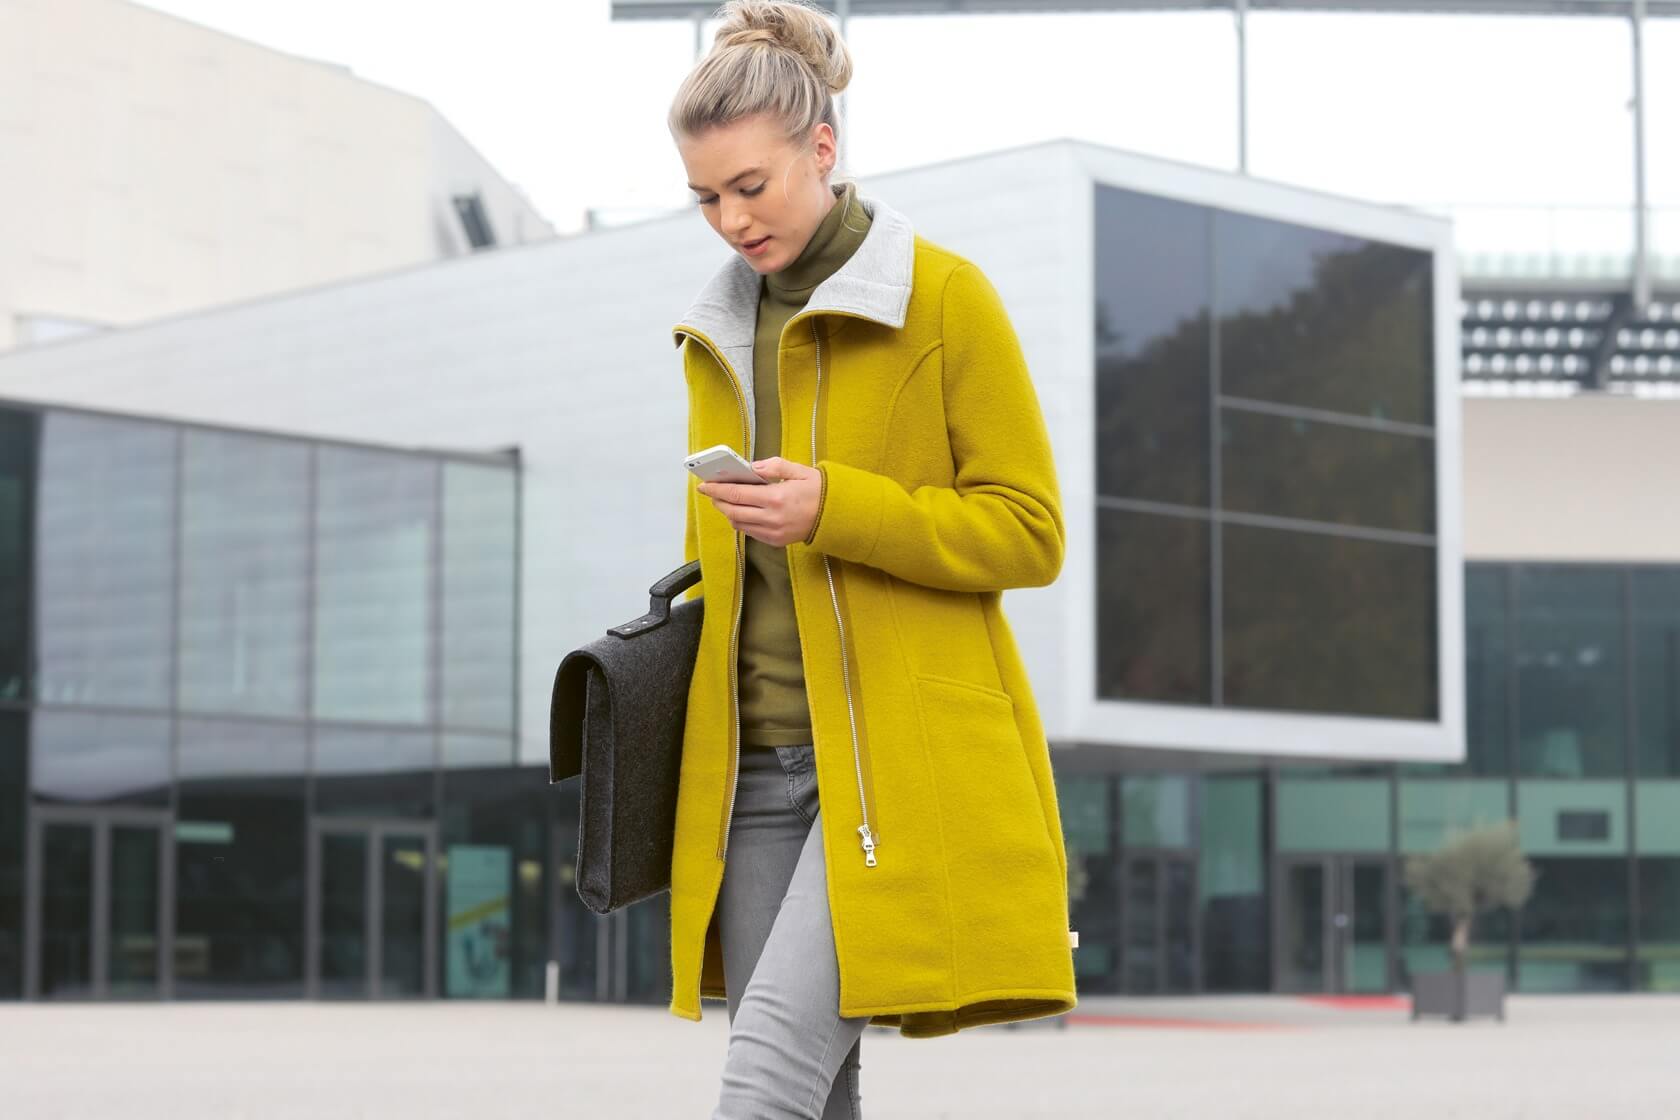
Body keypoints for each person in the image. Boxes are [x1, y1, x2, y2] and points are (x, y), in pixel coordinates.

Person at [667, 2, 1077, 1115]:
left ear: (823, 147)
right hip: (750, 767)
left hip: (891, 762)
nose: (731, 220)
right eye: (706, 197)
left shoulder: (942, 297)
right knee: (818, 1089)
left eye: (751, 185)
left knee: (763, 1081)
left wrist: (836, 507)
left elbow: (1029, 529)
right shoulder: (713, 329)